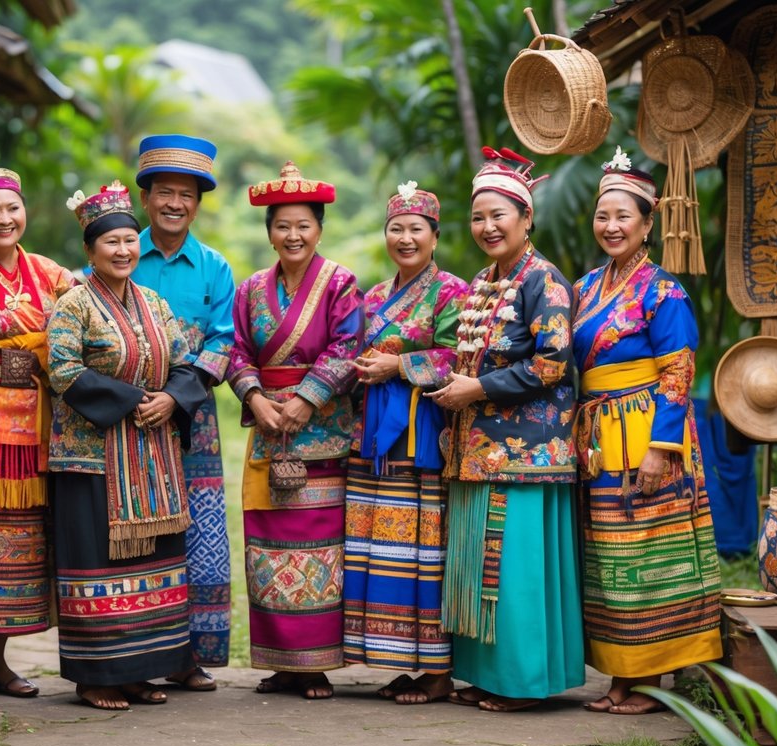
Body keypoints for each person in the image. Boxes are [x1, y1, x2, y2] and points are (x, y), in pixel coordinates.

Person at [428, 146, 582, 713]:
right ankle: (488, 674)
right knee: (478, 561)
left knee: (512, 567)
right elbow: (475, 357)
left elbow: (551, 364)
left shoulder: (545, 281)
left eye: (499, 215)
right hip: (476, 448)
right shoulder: (485, 279)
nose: (487, 227)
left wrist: (477, 389)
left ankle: (522, 682)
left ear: (526, 217)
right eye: (478, 217)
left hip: (527, 454)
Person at [46, 181, 208, 711]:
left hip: (153, 453)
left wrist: (170, 398)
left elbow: (187, 361)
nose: (123, 250)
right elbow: (63, 370)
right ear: (90, 250)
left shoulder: (155, 303)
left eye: (128, 241)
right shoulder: (73, 304)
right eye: (110, 243)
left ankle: (143, 668)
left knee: (154, 563)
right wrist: (134, 397)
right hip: (91, 456)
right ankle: (97, 675)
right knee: (97, 564)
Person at [573, 148, 722, 716]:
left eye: (623, 217)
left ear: (647, 222)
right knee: (610, 558)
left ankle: (657, 678)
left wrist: (663, 449)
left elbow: (679, 372)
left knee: (649, 551)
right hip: (599, 437)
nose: (611, 227)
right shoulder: (587, 286)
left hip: (646, 430)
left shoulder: (664, 292)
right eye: (603, 216)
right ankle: (621, 674)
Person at [229, 162, 362, 700]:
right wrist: (255, 397)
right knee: (268, 548)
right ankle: (282, 661)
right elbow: (235, 350)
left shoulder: (341, 283)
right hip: (267, 431)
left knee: (319, 549)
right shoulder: (250, 289)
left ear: (320, 228)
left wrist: (308, 399)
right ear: (269, 232)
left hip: (320, 436)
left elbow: (347, 346)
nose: (293, 235)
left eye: (303, 225)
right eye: (282, 226)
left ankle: (316, 663)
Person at [0, 168, 75, 702]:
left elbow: (81, 326)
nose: (6, 219)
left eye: (13, 208)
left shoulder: (51, 273)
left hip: (36, 426)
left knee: (18, 545)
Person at [345, 181, 468, 704]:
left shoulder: (453, 292)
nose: (405, 237)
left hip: (422, 434)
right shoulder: (372, 295)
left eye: (416, 228)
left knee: (423, 549)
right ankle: (397, 658)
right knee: (378, 547)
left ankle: (436, 669)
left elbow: (460, 356)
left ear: (435, 237)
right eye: (396, 228)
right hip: (372, 434)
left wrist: (398, 364)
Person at [131, 135, 237, 688]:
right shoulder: (119, 251)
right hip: (127, 419)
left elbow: (223, 343)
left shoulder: (216, 268)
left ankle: (189, 657)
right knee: (137, 533)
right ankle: (140, 656)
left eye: (187, 195)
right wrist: (139, 398)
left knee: (198, 533)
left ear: (198, 204)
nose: (176, 203)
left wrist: (175, 396)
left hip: (191, 420)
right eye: (165, 192)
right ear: (145, 198)